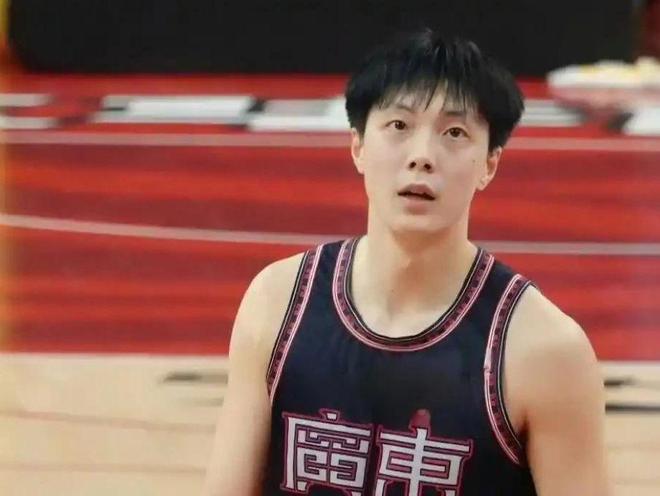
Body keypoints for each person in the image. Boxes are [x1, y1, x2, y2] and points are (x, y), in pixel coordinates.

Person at [201, 29, 609, 496]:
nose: (422, 157)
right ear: (358, 146)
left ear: (489, 164)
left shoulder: (545, 350)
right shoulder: (276, 304)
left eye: (454, 133)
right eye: (399, 126)